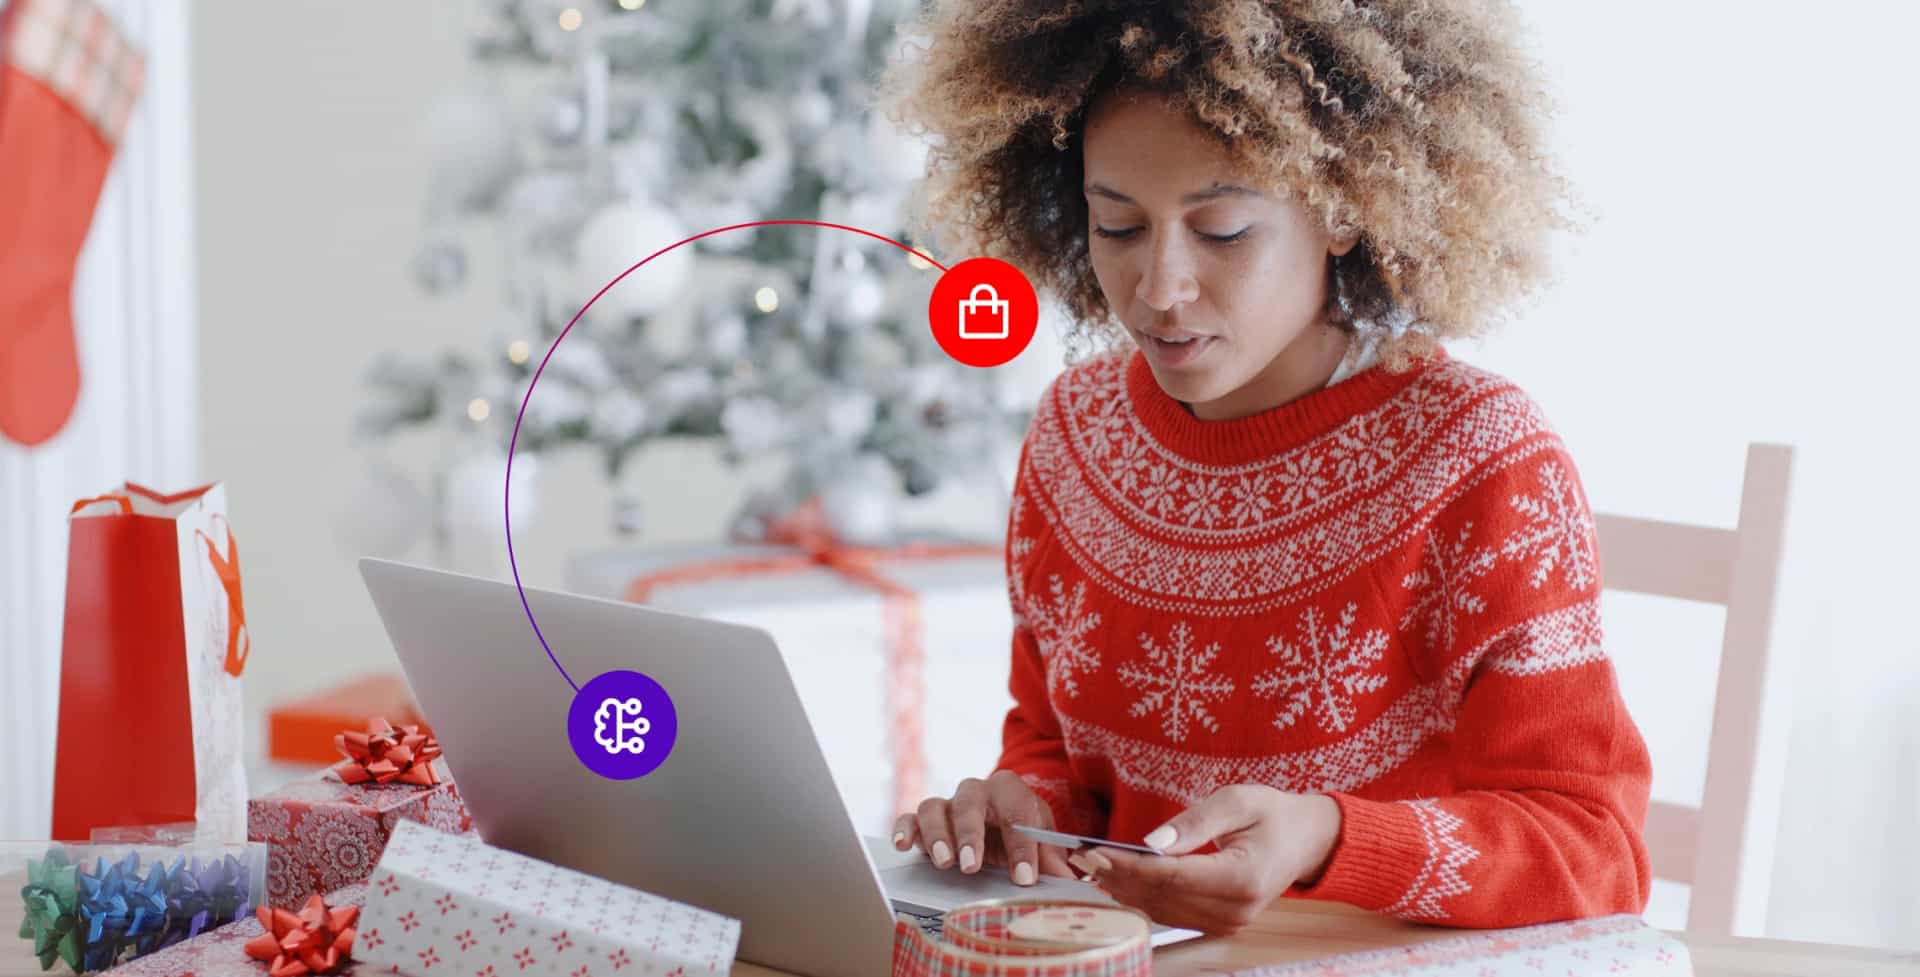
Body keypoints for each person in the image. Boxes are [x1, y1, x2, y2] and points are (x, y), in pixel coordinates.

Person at [878, 0, 1652, 935]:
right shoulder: (1075, 436)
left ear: (1341, 212)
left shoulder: (1480, 459)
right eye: (1117, 226)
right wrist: (1023, 815)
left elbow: (1596, 849)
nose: (1160, 289)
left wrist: (1330, 838)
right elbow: (1059, 749)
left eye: (1224, 231)